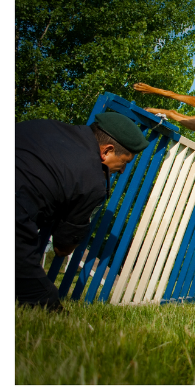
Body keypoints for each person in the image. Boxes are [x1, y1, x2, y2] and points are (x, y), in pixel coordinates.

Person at [15, 112, 149, 311]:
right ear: (107, 151)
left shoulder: (44, 125)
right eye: (124, 162)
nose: (121, 171)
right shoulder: (93, 181)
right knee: (43, 299)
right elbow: (62, 248)